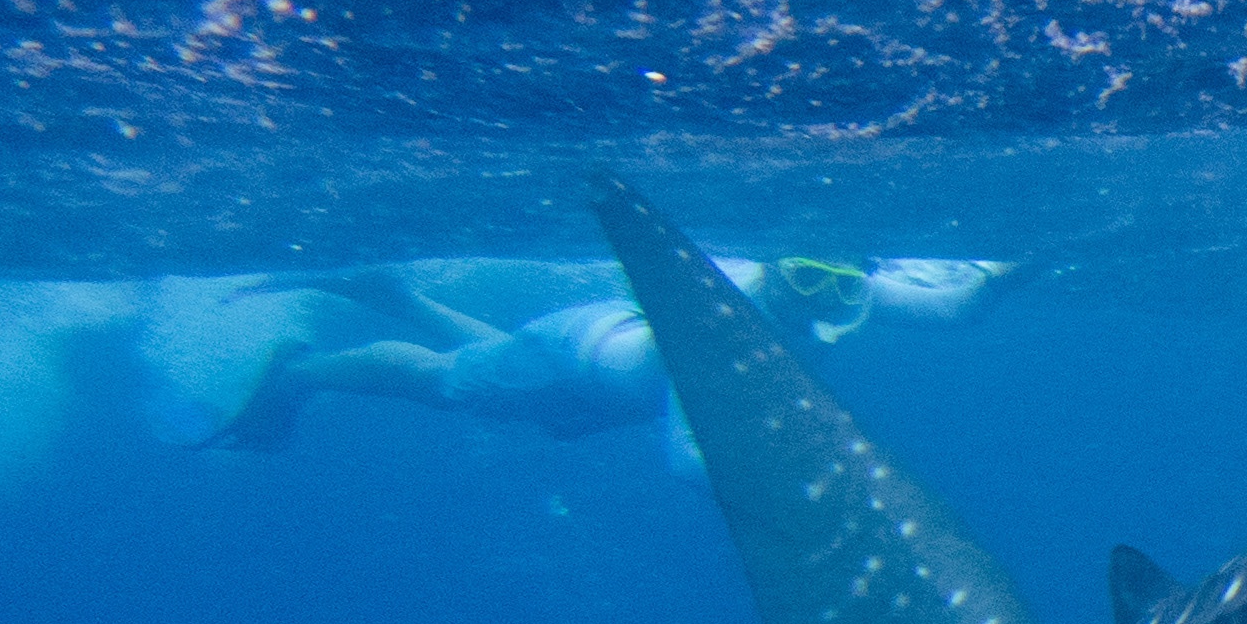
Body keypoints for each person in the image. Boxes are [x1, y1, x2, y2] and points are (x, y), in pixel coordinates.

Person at [196, 247, 1014, 470]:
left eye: (844, 285)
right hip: (583, 359)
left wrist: (1024, 264)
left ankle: (388, 291)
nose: (825, 299)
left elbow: (952, 304)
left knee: (508, 385)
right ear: (772, 275)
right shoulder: (722, 340)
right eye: (807, 280)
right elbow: (692, 459)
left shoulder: (847, 298)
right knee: (448, 385)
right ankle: (296, 372)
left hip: (601, 377)